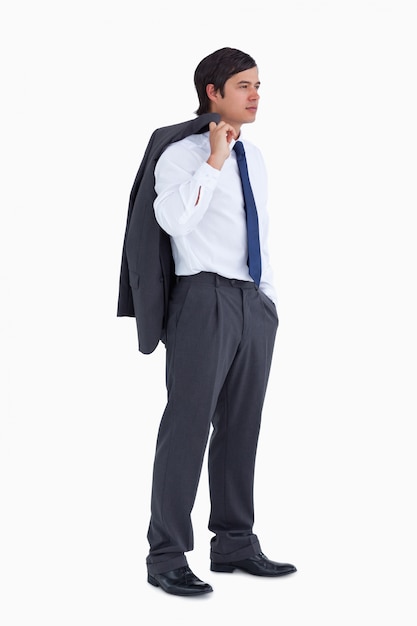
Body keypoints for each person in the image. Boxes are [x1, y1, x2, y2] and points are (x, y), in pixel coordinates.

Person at [120, 47, 296, 596]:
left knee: (242, 428)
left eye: (259, 85)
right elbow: (173, 219)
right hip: (202, 300)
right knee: (188, 428)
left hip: (251, 304)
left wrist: (267, 300)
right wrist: (213, 159)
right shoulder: (181, 153)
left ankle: (235, 543)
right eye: (244, 85)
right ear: (212, 92)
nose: (256, 95)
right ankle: (166, 554)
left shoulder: (258, 157)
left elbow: (258, 233)